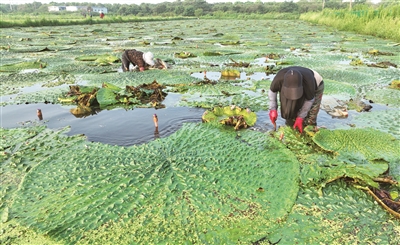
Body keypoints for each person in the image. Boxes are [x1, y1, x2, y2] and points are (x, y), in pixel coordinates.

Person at [268, 66, 324, 133]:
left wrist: (300, 117)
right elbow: (272, 92)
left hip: (316, 85)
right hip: (293, 82)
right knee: (290, 117)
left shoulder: (309, 82)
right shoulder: (279, 78)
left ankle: (309, 134)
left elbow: (309, 100)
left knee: (310, 118)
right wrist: (273, 109)